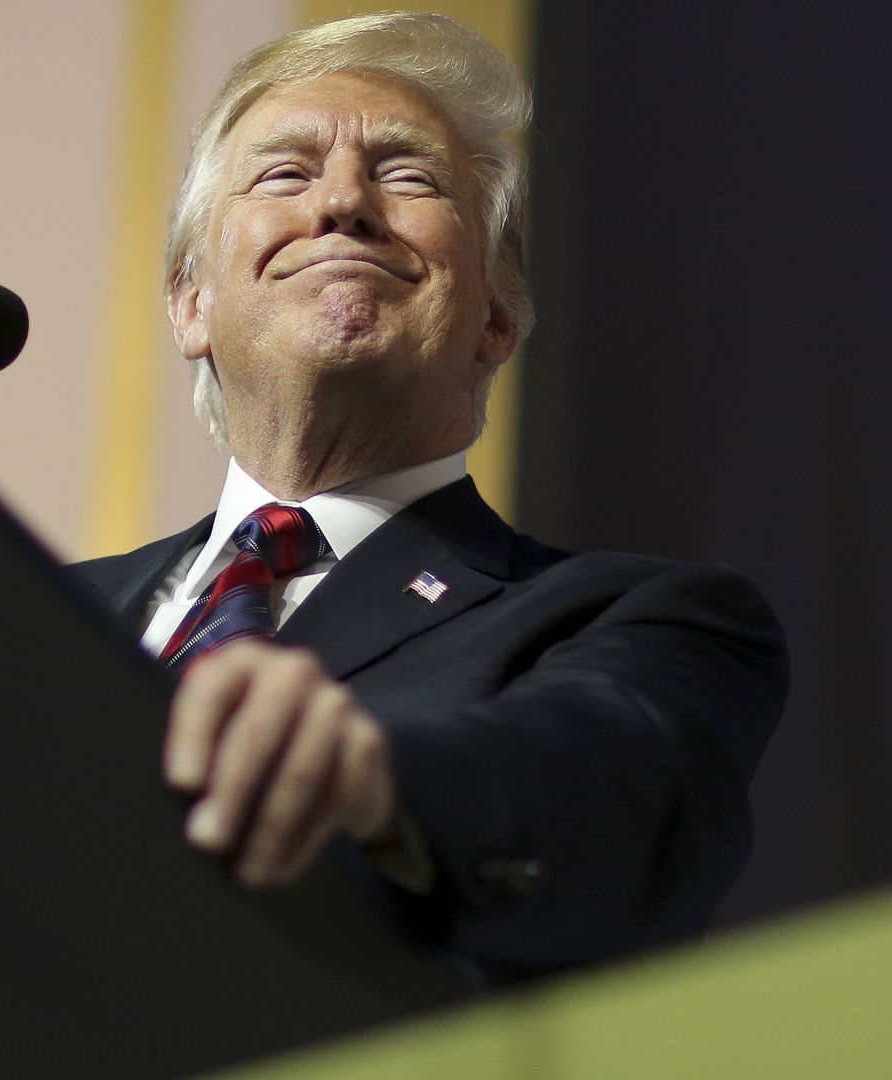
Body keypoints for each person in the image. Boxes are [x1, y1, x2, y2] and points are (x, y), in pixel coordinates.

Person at [74, 12, 785, 981]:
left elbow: (604, 801)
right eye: (283, 174)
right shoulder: (38, 610)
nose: (343, 202)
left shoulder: (646, 622)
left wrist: (369, 783)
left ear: (495, 318)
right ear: (190, 303)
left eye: (408, 176)